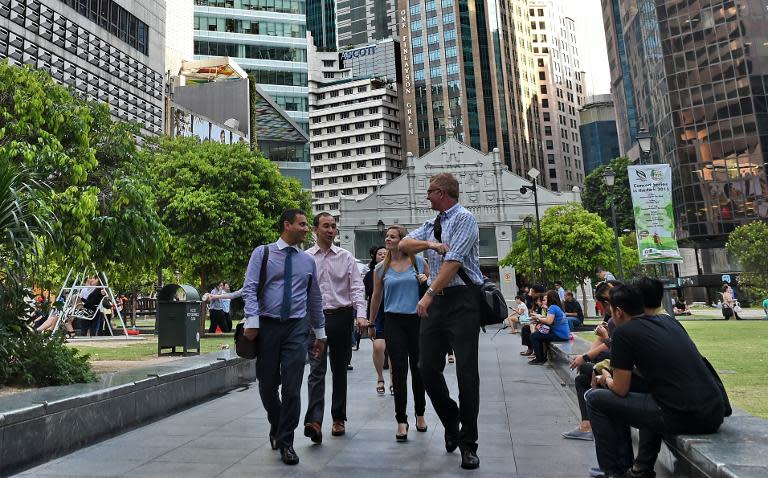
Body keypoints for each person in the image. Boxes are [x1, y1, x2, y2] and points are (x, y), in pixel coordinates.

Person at [585, 282, 725, 478]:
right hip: (713, 411)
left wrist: (604, 377)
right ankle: (639, 468)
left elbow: (620, 389)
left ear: (618, 311)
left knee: (594, 399)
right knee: (646, 393)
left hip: (683, 415)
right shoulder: (667, 321)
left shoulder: (625, 333)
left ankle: (614, 471)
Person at [399, 172, 482, 470]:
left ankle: (468, 444)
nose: (427, 195)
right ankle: (451, 418)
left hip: (462, 301)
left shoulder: (464, 219)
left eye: (431, 190)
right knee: (425, 368)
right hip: (438, 302)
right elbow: (404, 245)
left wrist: (428, 294)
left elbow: (454, 262)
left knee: (466, 373)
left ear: (444, 193)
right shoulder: (432, 224)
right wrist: (431, 245)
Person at [241, 208, 326, 466]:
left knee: (292, 386)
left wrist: (320, 334)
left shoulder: (307, 261)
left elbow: (314, 299)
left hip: (296, 329)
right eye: (301, 224)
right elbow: (250, 288)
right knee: (267, 385)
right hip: (266, 327)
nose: (305, 228)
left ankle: (286, 442)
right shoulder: (263, 253)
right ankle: (276, 423)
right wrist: (252, 321)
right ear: (287, 225)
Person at [304, 213, 367, 442]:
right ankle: (315, 421)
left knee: (339, 369)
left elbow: (357, 288)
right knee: (316, 369)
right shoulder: (306, 258)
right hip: (315, 321)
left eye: (333, 226)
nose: (331, 230)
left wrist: (360, 315)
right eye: (326, 226)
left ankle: (338, 417)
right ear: (315, 230)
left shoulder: (346, 257)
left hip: (341, 318)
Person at [368, 225, 429, 441]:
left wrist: (425, 281)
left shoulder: (419, 263)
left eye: (392, 236)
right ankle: (401, 421)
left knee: (418, 369)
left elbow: (431, 291)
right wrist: (371, 322)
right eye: (386, 236)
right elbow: (376, 297)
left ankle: (420, 414)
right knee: (399, 371)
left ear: (403, 241)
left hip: (417, 321)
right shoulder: (380, 268)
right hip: (393, 321)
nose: (388, 239)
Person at [561, 281, 620, 443]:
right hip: (620, 363)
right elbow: (605, 340)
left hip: (628, 371)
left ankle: (616, 459)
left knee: (589, 370)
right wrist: (586, 356)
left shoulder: (619, 318)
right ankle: (587, 426)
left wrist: (594, 366)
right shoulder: (613, 317)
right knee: (582, 378)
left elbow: (617, 348)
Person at [364, 245, 389, 395]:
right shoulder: (370, 274)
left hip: (393, 311)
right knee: (378, 347)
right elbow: (369, 296)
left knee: (394, 349)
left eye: (385, 254)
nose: (382, 256)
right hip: (377, 313)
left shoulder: (397, 270)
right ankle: (380, 377)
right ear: (375, 257)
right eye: (380, 254)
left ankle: (394, 380)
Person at [528, 289, 570, 365]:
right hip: (563, 334)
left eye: (546, 298)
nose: (545, 300)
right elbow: (550, 319)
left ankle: (540, 359)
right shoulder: (557, 307)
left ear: (551, 298)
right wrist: (539, 317)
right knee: (538, 335)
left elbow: (549, 321)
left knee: (534, 336)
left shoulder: (552, 307)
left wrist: (538, 318)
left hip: (559, 335)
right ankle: (541, 357)